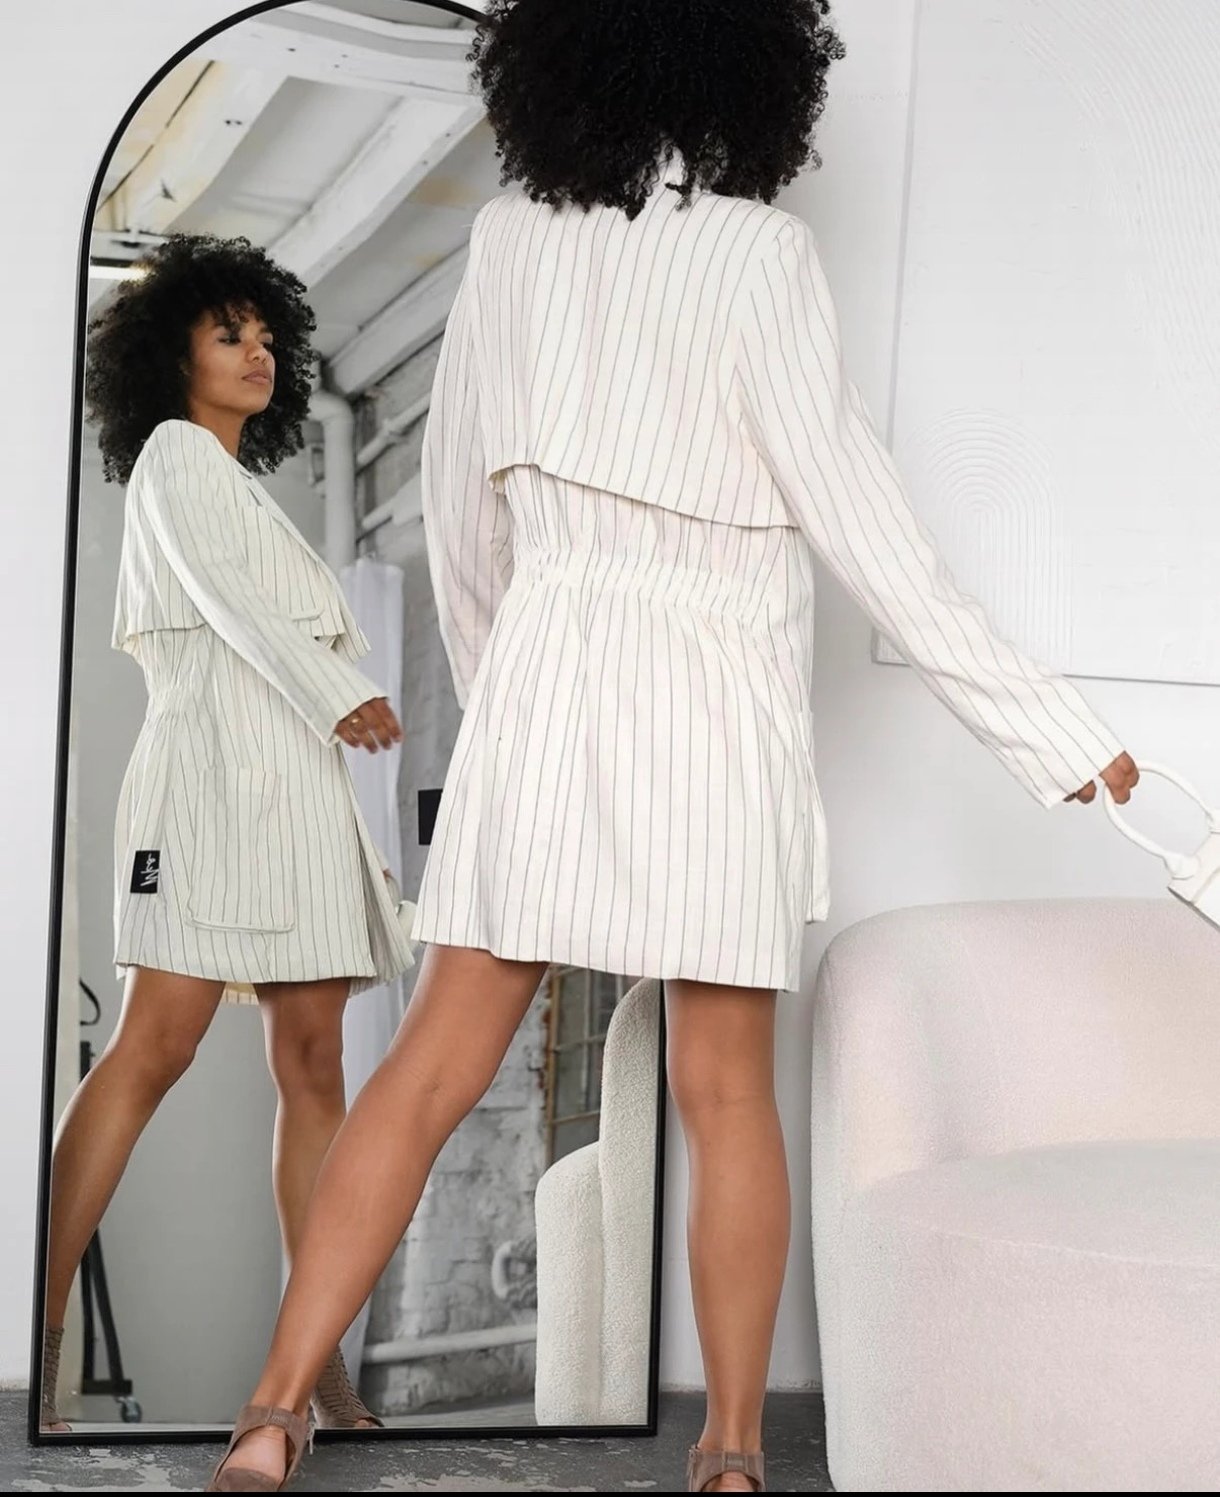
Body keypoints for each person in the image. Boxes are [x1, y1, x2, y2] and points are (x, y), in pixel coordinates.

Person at [204, 2, 1140, 1491]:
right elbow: (864, 523)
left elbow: (460, 510)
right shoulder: (761, 253)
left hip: (550, 673)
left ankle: (270, 1416)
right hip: (714, 695)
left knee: (430, 1067)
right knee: (722, 1089)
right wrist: (1052, 729)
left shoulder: (510, 240)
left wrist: (513, 698)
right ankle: (731, 1454)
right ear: (748, 71)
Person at [41, 233, 413, 1435]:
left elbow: (263, 629)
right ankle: (33, 1326)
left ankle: (318, 1359)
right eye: (226, 333)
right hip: (202, 787)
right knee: (154, 1045)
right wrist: (336, 690)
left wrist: (336, 785)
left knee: (314, 1066)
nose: (255, 352)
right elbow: (231, 603)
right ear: (173, 354)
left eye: (264, 337)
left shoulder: (243, 487)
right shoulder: (172, 457)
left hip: (295, 803)